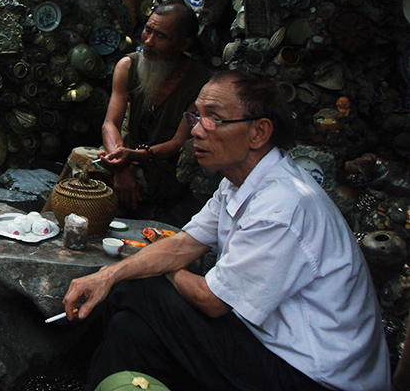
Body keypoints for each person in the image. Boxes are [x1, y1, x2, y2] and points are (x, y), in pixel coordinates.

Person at [63, 70, 390, 391]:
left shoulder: (284, 204)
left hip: (313, 375)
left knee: (138, 291)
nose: (196, 131)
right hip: (267, 347)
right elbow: (182, 245)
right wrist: (106, 276)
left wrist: (154, 274)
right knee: (131, 330)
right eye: (196, 116)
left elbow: (211, 300)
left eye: (214, 118)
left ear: (258, 133)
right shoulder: (238, 184)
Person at [99, 2, 209, 213]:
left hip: (163, 167)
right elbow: (110, 123)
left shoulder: (201, 85)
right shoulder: (128, 66)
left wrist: (132, 157)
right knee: (79, 162)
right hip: (123, 157)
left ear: (184, 44)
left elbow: (177, 143)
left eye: (161, 37)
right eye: (148, 30)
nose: (148, 41)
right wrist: (121, 165)